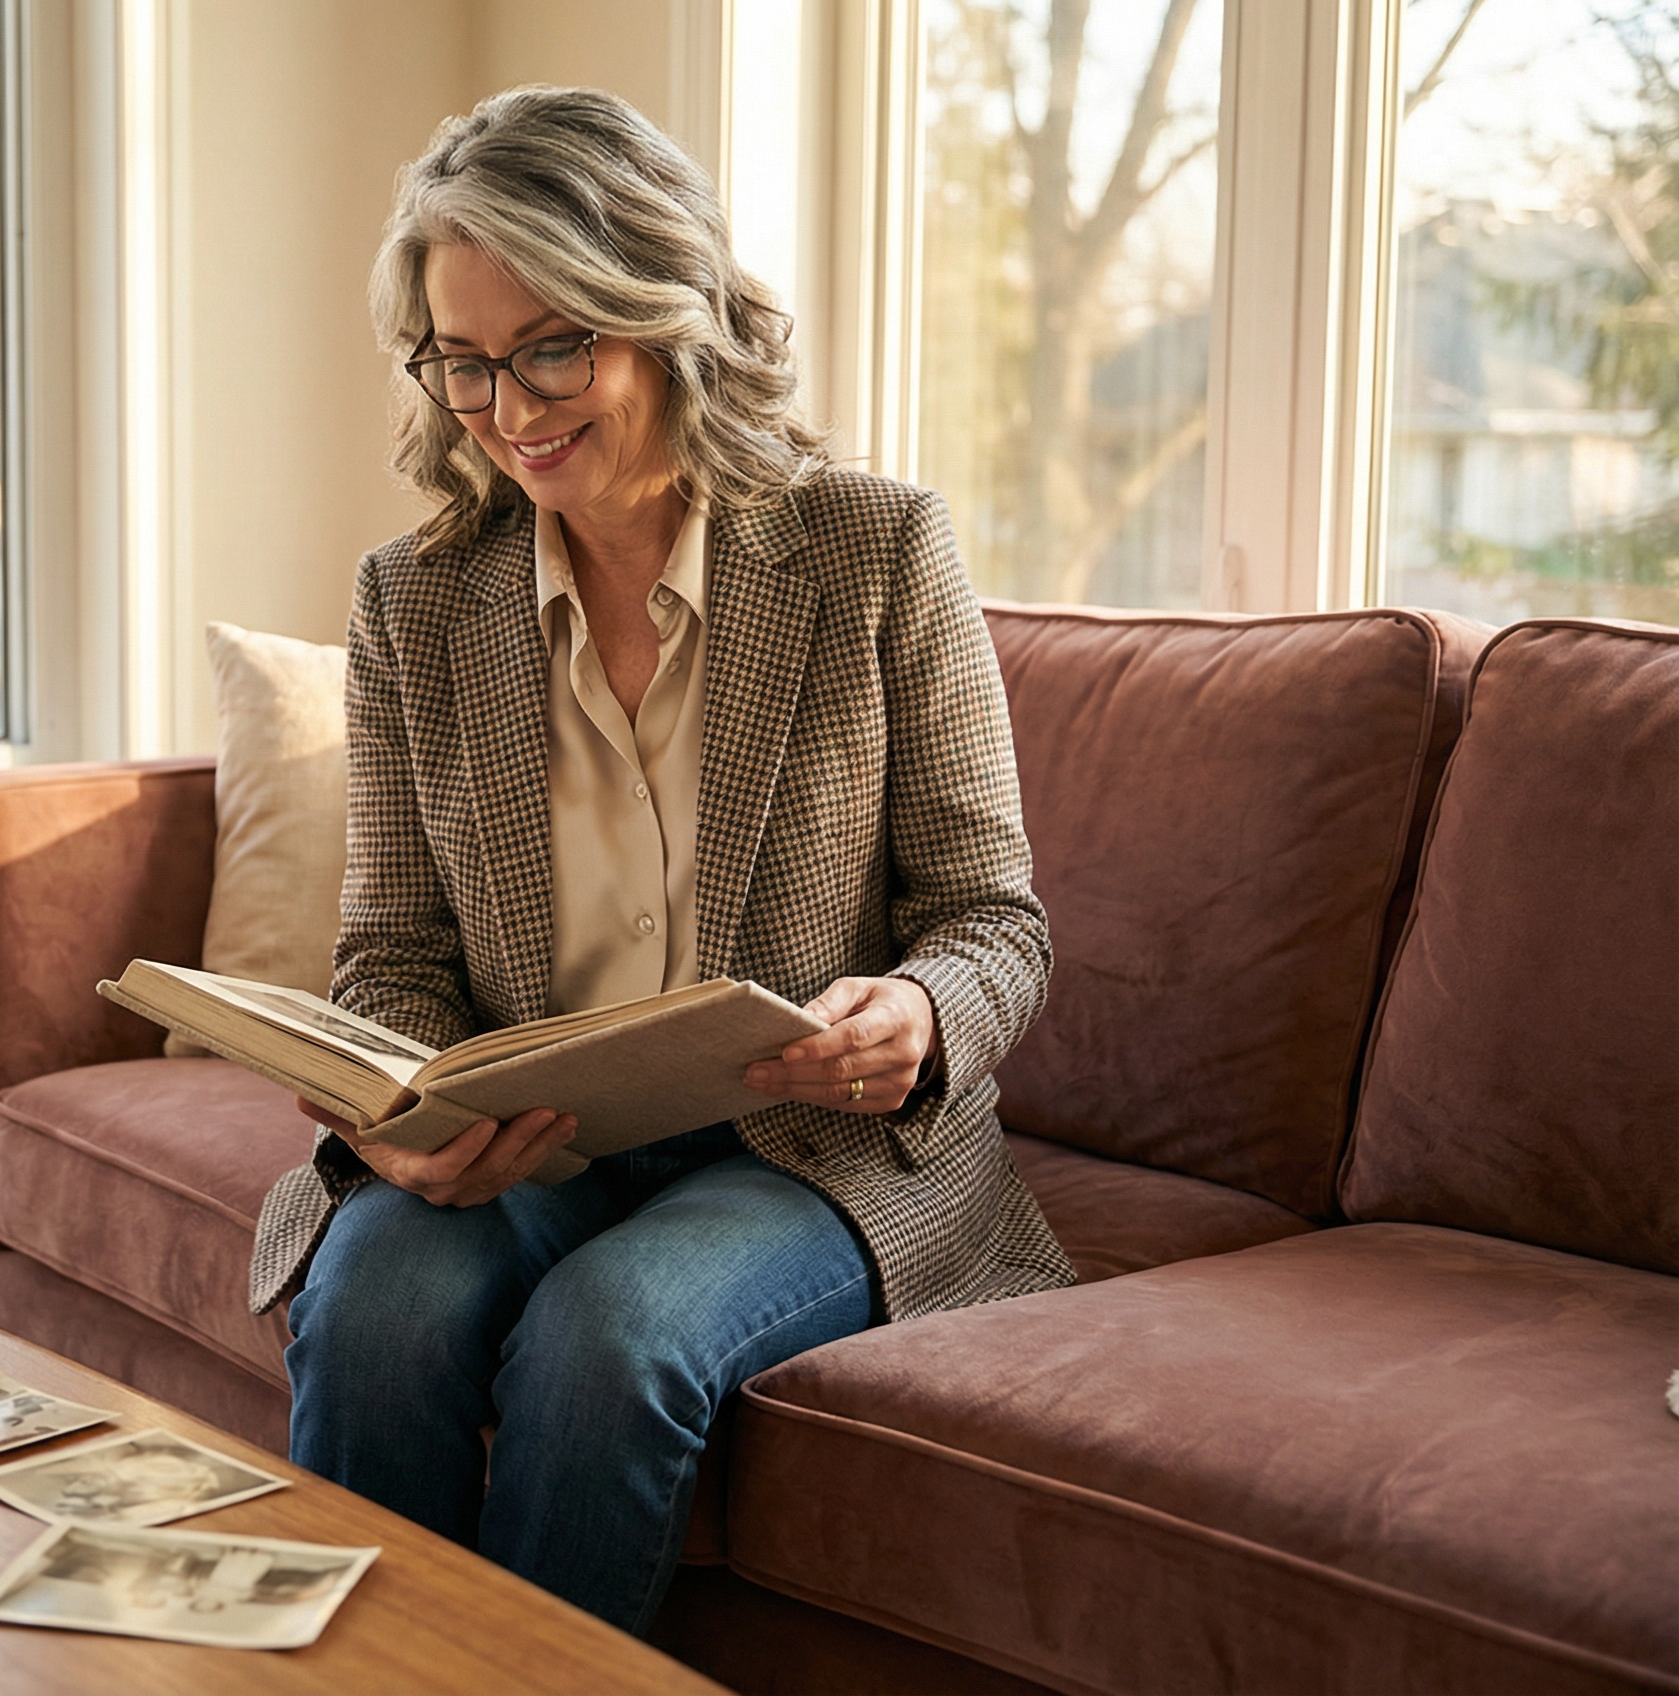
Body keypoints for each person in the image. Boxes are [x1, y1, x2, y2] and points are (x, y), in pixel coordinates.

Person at [247, 86, 1073, 1636]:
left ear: (667, 314)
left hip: (807, 1150)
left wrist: (920, 1016)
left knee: (606, 1335)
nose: (506, 404)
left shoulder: (873, 549)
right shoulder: (416, 601)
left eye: (554, 344)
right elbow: (394, 957)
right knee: (371, 1302)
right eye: (464, 359)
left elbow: (990, 919)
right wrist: (409, 1114)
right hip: (532, 1133)